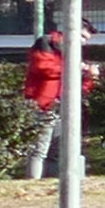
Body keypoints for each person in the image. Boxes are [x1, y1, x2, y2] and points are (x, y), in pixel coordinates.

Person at [19, 33, 68, 180]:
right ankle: (34, 181)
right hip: (43, 106)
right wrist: (72, 68)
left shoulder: (62, 53)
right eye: (82, 37)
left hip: (57, 105)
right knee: (39, 150)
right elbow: (43, 68)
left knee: (54, 150)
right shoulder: (48, 48)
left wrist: (89, 77)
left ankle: (48, 180)